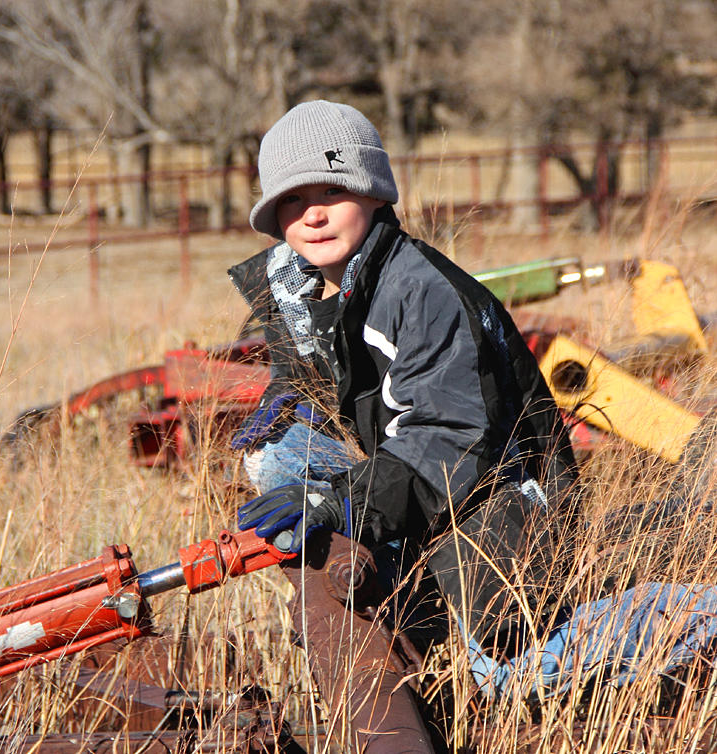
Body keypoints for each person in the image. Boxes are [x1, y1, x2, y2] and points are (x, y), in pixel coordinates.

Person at [228, 100, 717, 699]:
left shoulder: (421, 292)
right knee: (275, 453)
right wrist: (295, 397)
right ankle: (386, 574)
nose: (314, 214)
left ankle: (692, 611)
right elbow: (333, 379)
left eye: (333, 189)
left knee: (507, 674)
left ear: (377, 192)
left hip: (496, 495)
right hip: (409, 469)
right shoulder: (310, 287)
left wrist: (338, 504)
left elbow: (446, 444)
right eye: (293, 201)